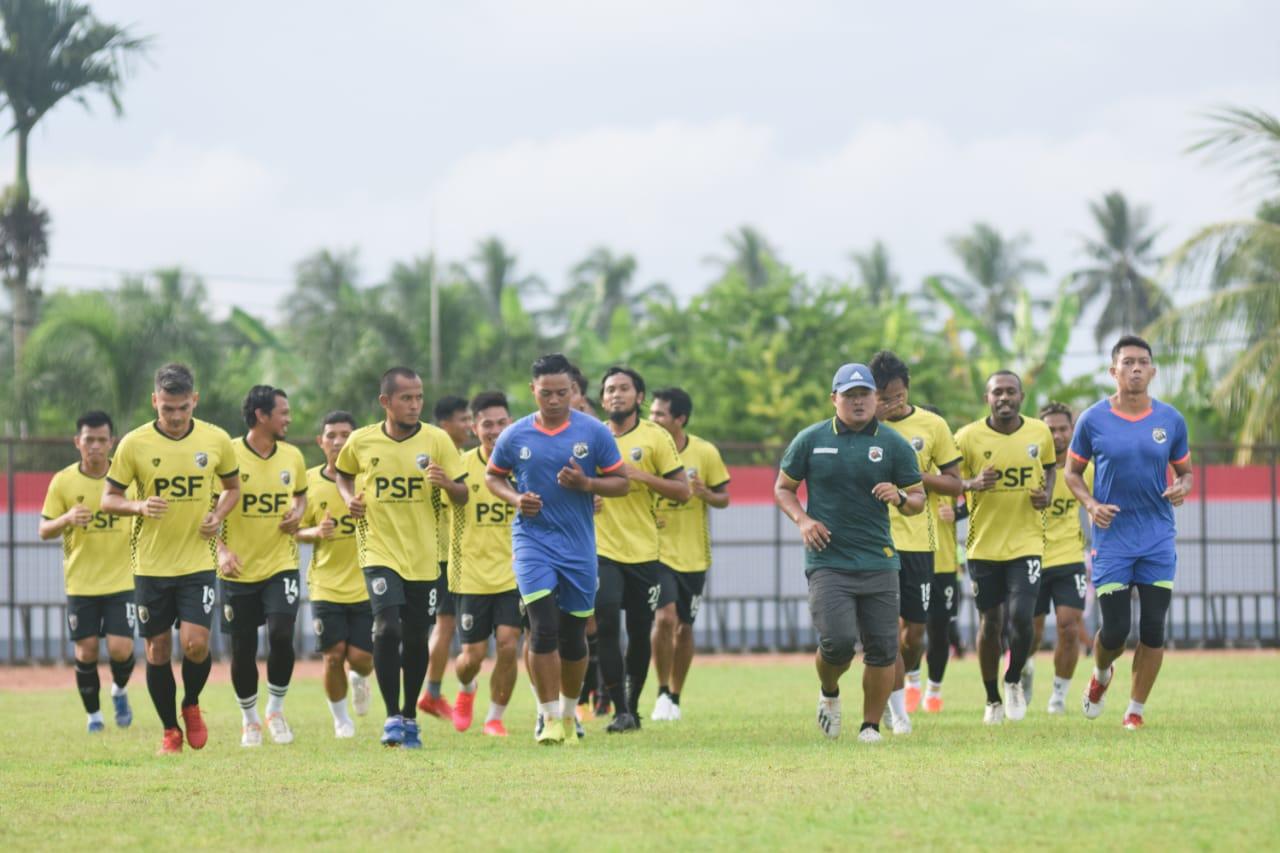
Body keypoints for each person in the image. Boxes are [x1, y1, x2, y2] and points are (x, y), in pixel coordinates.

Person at [775, 363, 925, 743]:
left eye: (865, 395)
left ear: (876, 399)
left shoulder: (893, 444)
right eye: (850, 395)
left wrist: (902, 495)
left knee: (883, 648)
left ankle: (870, 726)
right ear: (834, 399)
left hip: (879, 560)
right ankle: (829, 692)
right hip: (828, 561)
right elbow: (783, 488)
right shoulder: (810, 439)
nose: (858, 402)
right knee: (838, 642)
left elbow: (918, 500)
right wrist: (803, 521)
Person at [486, 353, 629, 744]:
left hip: (579, 547)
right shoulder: (514, 435)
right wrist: (516, 499)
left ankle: (569, 713)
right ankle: (547, 717)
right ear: (532, 391)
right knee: (542, 628)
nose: (553, 400)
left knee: (573, 635)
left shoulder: (594, 433)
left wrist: (587, 485)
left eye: (562, 393)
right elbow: (492, 477)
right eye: (545, 393)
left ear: (574, 391)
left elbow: (622, 483)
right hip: (532, 541)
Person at [102, 363, 240, 754]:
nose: (176, 417)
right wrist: (139, 505)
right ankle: (169, 731)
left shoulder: (215, 440)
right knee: (157, 651)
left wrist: (218, 515)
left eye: (183, 408)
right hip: (150, 566)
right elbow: (108, 499)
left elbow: (232, 488)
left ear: (194, 400)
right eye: (167, 409)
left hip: (197, 563)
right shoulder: (134, 443)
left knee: (196, 645)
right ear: (154, 402)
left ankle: (191, 703)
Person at [335, 367, 468, 748]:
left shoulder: (437, 440)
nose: (414, 404)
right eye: (406, 398)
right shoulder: (361, 442)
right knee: (386, 628)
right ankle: (392, 716)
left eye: (419, 397)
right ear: (385, 402)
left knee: (414, 637)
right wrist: (348, 499)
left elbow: (463, 495)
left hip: (425, 556)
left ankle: (410, 715)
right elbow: (342, 474)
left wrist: (447, 485)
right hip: (378, 549)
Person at [1067, 335, 1192, 730]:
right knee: (1117, 630)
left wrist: (1182, 487)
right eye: (1127, 362)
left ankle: (1135, 710)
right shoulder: (1092, 419)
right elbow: (1072, 472)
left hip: (1156, 536)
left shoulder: (1170, 420)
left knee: (1154, 627)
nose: (1136, 368)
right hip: (1112, 539)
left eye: (1143, 362)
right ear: (1113, 370)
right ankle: (1102, 675)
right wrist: (1091, 504)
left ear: (1152, 371)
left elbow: (1186, 472)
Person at [868, 351, 964, 734]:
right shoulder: (861, 428)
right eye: (883, 398)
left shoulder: (933, 425)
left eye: (897, 396)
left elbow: (955, 483)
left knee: (914, 633)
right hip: (875, 541)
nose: (892, 404)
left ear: (907, 390)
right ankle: (896, 709)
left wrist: (915, 477)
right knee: (886, 631)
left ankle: (909, 679)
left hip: (920, 544)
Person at [954, 371, 1055, 724]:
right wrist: (973, 483)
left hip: (1027, 542)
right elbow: (950, 481)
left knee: (1022, 618)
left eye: (1011, 391)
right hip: (983, 546)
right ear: (987, 398)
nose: (1004, 398)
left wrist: (1047, 495)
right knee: (991, 621)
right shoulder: (967, 437)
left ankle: (1012, 681)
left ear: (1021, 396)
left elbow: (1050, 467)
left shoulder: (1039, 432)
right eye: (998, 392)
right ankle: (992, 698)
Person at [595, 366, 690, 732]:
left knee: (639, 630)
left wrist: (641, 476)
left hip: (645, 552)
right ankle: (618, 707)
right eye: (609, 389)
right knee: (604, 622)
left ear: (639, 396)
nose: (615, 394)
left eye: (623, 388)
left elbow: (682, 491)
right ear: (602, 399)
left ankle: (632, 707)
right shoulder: (591, 436)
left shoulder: (654, 438)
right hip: (601, 549)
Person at [216, 386, 308, 746]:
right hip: (238, 568)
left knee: (282, 635)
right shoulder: (229, 456)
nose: (289, 418)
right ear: (261, 415)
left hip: (281, 562)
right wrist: (221, 550)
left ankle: (276, 709)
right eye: (283, 412)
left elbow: (300, 496)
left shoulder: (293, 456)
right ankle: (250, 718)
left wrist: (297, 514)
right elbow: (208, 514)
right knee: (242, 648)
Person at [39, 411, 136, 733]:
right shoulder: (64, 481)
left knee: (121, 649)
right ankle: (94, 716)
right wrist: (66, 519)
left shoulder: (126, 481)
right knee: (87, 650)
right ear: (77, 442)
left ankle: (119, 690)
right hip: (81, 583)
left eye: (101, 440)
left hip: (122, 580)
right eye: (89, 440)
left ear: (112, 442)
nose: (95, 446)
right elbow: (43, 529)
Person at [647, 387, 730, 722]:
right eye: (650, 413)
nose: (652, 420)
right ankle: (661, 692)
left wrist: (705, 493)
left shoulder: (704, 452)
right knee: (664, 618)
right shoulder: (647, 450)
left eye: (659, 415)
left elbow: (724, 498)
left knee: (684, 627)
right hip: (655, 552)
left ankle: (676, 696)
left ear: (679, 419)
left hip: (694, 555)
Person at [296, 411, 374, 738]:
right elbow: (294, 530)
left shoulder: (369, 479)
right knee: (333, 655)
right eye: (331, 435)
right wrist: (316, 531)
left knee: (361, 660)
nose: (339, 441)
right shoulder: (309, 481)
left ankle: (359, 678)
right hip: (326, 584)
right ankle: (341, 720)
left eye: (345, 434)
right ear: (320, 441)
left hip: (368, 583)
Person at [451, 391, 520, 736]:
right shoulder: (459, 466)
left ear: (512, 424)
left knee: (509, 646)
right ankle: (466, 689)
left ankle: (495, 717)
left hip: (514, 574)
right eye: (487, 424)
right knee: (471, 658)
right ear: (475, 427)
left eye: (502, 423)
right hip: (471, 576)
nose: (495, 430)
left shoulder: (525, 464)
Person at [1026, 402, 1089, 714]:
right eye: (1050, 429)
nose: (1058, 435)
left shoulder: (1084, 469)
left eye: (1063, 428)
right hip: (1031, 556)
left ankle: (1058, 697)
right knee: (1031, 632)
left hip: (1069, 557)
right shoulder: (1030, 466)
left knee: (1068, 627)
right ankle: (1024, 668)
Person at [418, 395, 473, 721]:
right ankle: (438, 692)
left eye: (470, 419)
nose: (468, 425)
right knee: (450, 625)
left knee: (447, 625)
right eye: (463, 420)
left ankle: (435, 693)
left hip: (451, 555)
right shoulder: (443, 461)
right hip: (448, 555)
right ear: (444, 425)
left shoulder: (461, 458)